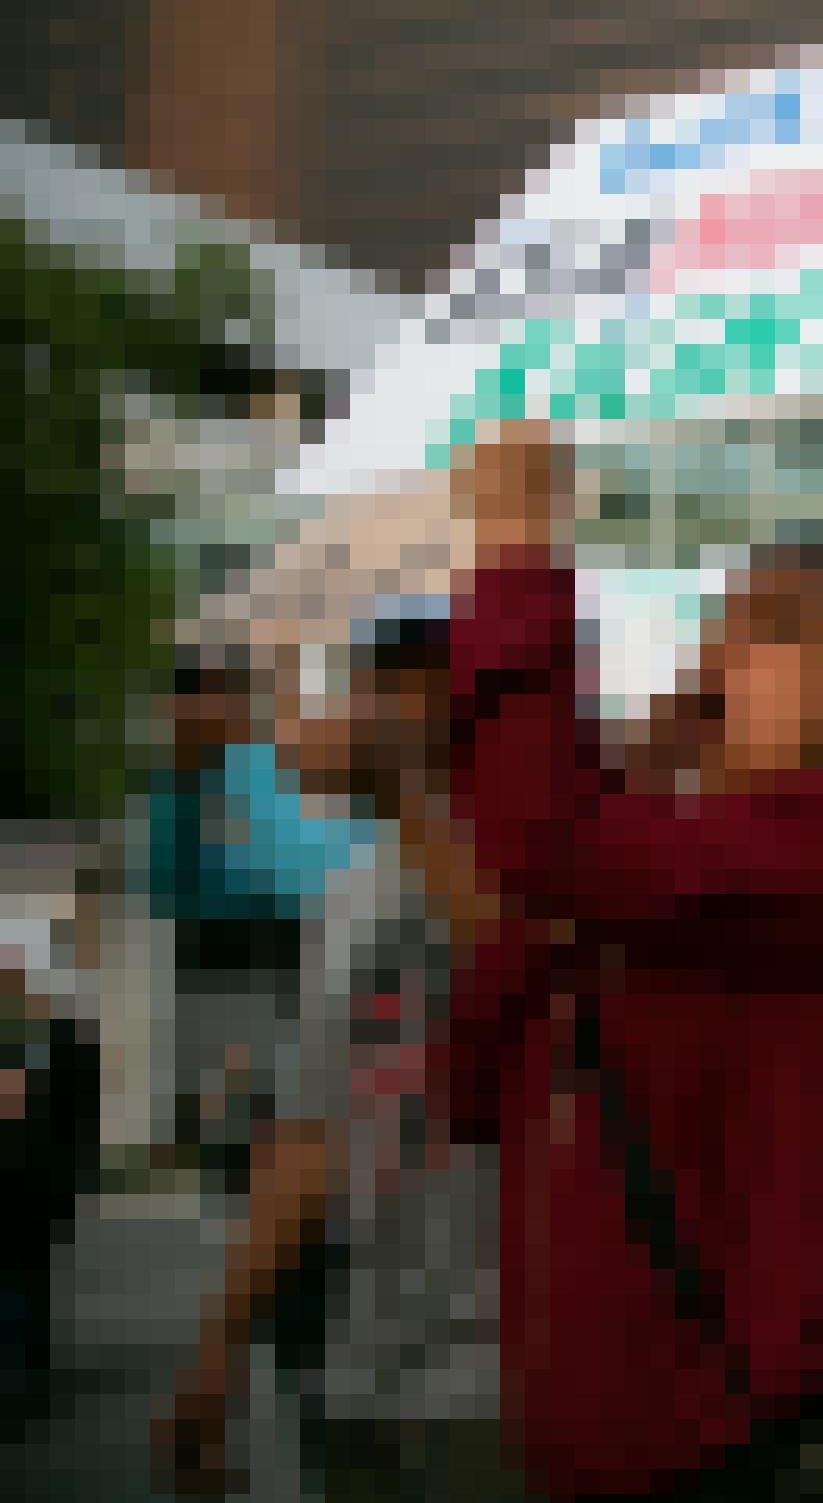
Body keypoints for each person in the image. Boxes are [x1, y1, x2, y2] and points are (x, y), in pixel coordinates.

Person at [435, 425, 823, 1500]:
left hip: (787, 1441)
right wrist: (600, 838)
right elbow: (472, 1085)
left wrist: (517, 552)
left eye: (772, 631)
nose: (715, 659)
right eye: (715, 625)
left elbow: (537, 837)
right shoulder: (674, 874)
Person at [158, 603, 520, 1503]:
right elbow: (313, 1131)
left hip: (511, 1389)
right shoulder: (355, 885)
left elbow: (523, 981)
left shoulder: (534, 874)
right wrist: (218, 1352)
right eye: (352, 689)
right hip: (367, 1372)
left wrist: (402, 781)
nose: (347, 714)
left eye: (379, 693)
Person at [145, 658, 371, 1185]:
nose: (210, 712)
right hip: (205, 938)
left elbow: (302, 854)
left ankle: (251, 1156)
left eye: (223, 700)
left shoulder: (255, 772)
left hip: (266, 933)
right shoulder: (177, 783)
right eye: (197, 701)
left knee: (263, 1056)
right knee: (210, 1049)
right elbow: (162, 876)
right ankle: (215, 1146)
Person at [1, 954, 97, 1440]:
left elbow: (79, 1126)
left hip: (41, 1179)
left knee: (31, 1275)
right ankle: (30, 1367)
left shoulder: (68, 1044)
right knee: (30, 1277)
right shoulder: (60, 1042)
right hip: (35, 1177)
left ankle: (30, 1371)